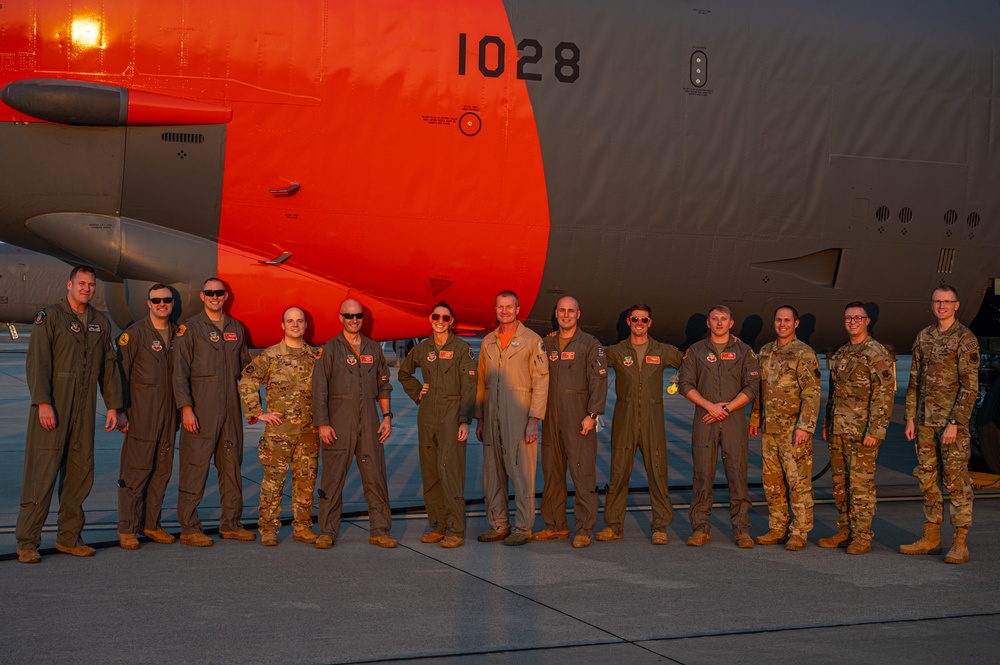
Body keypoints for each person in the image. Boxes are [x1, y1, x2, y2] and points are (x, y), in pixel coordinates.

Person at [15, 265, 123, 564]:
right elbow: (37, 362)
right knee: (42, 474)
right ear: (69, 285)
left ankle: (69, 537)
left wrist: (114, 405)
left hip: (85, 408)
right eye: (81, 283)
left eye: (90, 285)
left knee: (80, 472)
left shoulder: (100, 323)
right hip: (54, 405)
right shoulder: (49, 317)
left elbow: (109, 367)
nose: (86, 288)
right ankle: (27, 541)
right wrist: (43, 402)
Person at [900, 286, 979, 564]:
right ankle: (931, 538)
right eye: (937, 301)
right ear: (931, 305)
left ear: (956, 305)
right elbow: (914, 380)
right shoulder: (924, 336)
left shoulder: (965, 339)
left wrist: (955, 422)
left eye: (947, 302)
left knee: (956, 481)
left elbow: (970, 388)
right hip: (924, 423)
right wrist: (910, 417)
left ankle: (960, 542)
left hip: (950, 424)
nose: (942, 306)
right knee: (928, 481)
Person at [173, 277, 253, 546]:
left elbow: (248, 369)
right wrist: (186, 408)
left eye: (219, 292)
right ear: (202, 296)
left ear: (226, 296)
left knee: (231, 467)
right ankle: (189, 527)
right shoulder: (191, 328)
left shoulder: (236, 328)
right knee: (194, 467)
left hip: (230, 406)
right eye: (210, 293)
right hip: (201, 404)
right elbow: (179, 372)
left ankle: (231, 524)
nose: (215, 297)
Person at [312, 299, 396, 549]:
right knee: (332, 478)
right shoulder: (329, 350)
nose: (354, 320)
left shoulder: (373, 348)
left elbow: (383, 385)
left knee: (375, 475)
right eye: (348, 316)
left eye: (358, 315)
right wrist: (322, 424)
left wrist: (387, 417)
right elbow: (319, 390)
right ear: (340, 318)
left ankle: (379, 529)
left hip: (369, 421)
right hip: (338, 419)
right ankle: (327, 531)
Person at [595, 303, 678, 545]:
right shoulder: (616, 352)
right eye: (635, 319)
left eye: (644, 320)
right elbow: (589, 355)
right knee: (619, 473)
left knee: (658, 472)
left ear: (650, 323)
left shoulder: (662, 351)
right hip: (624, 420)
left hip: (653, 420)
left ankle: (660, 526)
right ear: (628, 322)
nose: (639, 324)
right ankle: (613, 525)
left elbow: (691, 361)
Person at [679, 305, 761, 549]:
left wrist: (726, 409)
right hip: (705, 419)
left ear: (730, 322)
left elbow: (752, 386)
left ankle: (742, 530)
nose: (719, 323)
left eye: (723, 319)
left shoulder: (744, 351)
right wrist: (710, 406)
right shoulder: (695, 351)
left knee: (738, 476)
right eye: (714, 319)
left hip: (733, 419)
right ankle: (700, 529)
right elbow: (685, 384)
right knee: (703, 476)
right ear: (708, 323)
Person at [238, 306, 321, 547]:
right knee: (273, 482)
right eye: (290, 321)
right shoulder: (271, 356)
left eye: (300, 321)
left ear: (305, 325)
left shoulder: (315, 357)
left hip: (308, 432)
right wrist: (257, 412)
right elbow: (247, 379)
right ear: (282, 326)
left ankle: (303, 527)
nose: (295, 325)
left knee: (306, 481)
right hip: (279, 433)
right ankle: (269, 528)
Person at [398, 302, 477, 548]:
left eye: (445, 317)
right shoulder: (423, 349)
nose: (440, 320)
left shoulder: (462, 349)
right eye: (436, 316)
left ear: (451, 321)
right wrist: (418, 394)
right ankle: (437, 525)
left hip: (452, 413)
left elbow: (470, 386)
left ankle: (456, 529)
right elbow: (404, 374)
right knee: (430, 471)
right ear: (430, 319)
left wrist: (465, 420)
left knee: (450, 471)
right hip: (428, 412)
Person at [820, 301, 895, 555]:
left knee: (861, 485)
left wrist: (875, 431)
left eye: (857, 318)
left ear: (867, 321)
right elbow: (833, 393)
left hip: (863, 432)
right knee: (841, 484)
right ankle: (845, 530)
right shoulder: (841, 354)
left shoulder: (875, 353)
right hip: (839, 429)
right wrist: (827, 423)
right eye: (848, 318)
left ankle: (862, 536)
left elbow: (884, 396)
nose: (852, 322)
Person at [475, 289, 549, 546]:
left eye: (509, 307)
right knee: (492, 473)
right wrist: (480, 419)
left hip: (518, 414)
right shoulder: (488, 342)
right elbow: (481, 383)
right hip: (491, 413)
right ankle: (498, 525)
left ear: (518, 310)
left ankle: (523, 527)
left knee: (521, 472)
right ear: (495, 310)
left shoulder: (532, 340)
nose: (504, 311)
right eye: (500, 307)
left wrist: (533, 419)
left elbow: (541, 381)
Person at [535, 297, 608, 548]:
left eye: (571, 311)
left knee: (582, 473)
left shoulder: (590, 344)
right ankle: (555, 526)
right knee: (552, 473)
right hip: (551, 417)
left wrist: (593, 414)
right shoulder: (546, 343)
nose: (566, 315)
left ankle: (584, 528)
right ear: (556, 313)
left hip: (579, 417)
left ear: (578, 314)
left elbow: (599, 380)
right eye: (562, 311)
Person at [749, 306, 821, 551]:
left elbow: (811, 393)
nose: (782, 324)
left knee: (798, 482)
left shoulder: (804, 353)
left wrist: (805, 427)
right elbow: (761, 388)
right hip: (769, 428)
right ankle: (778, 527)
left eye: (787, 320)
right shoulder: (766, 350)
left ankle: (799, 532)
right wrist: (755, 418)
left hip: (793, 430)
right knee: (772, 481)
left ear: (796, 324)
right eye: (778, 320)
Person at [116, 284, 179, 550]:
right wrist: (120, 411)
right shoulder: (135, 335)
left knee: (162, 471)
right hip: (142, 414)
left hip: (169, 415)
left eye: (166, 300)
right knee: (136, 472)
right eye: (157, 300)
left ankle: (151, 523)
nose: (162, 304)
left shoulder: (179, 334)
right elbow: (120, 375)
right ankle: (127, 528)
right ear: (148, 303)